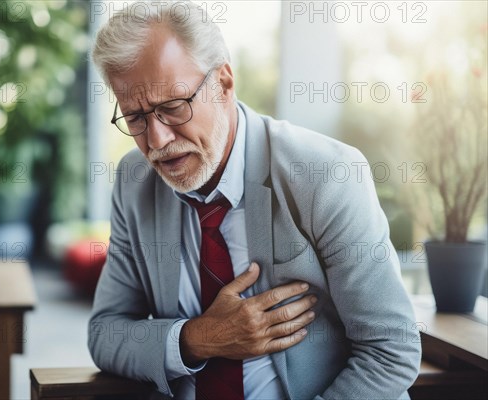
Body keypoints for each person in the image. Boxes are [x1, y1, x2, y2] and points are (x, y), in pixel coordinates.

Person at [88, 1, 421, 399]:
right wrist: (198, 339)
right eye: (136, 117)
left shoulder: (326, 174)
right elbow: (106, 333)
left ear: (224, 83)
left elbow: (391, 350)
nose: (156, 140)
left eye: (173, 107)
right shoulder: (134, 180)